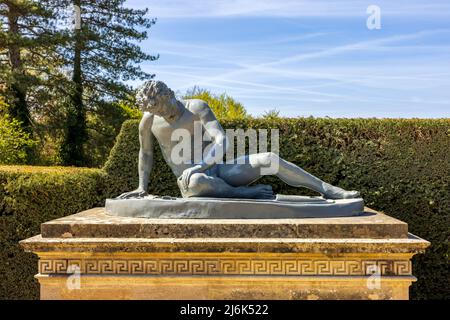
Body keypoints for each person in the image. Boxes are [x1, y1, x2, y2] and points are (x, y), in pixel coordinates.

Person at [118, 81, 360, 200]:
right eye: (156, 112)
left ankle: (327, 189)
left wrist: (201, 164)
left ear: (169, 95)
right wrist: (142, 187)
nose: (163, 114)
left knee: (268, 158)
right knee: (198, 181)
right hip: (193, 183)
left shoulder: (197, 107)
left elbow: (221, 140)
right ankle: (247, 193)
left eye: (163, 107)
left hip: (217, 171)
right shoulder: (148, 121)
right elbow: (146, 154)